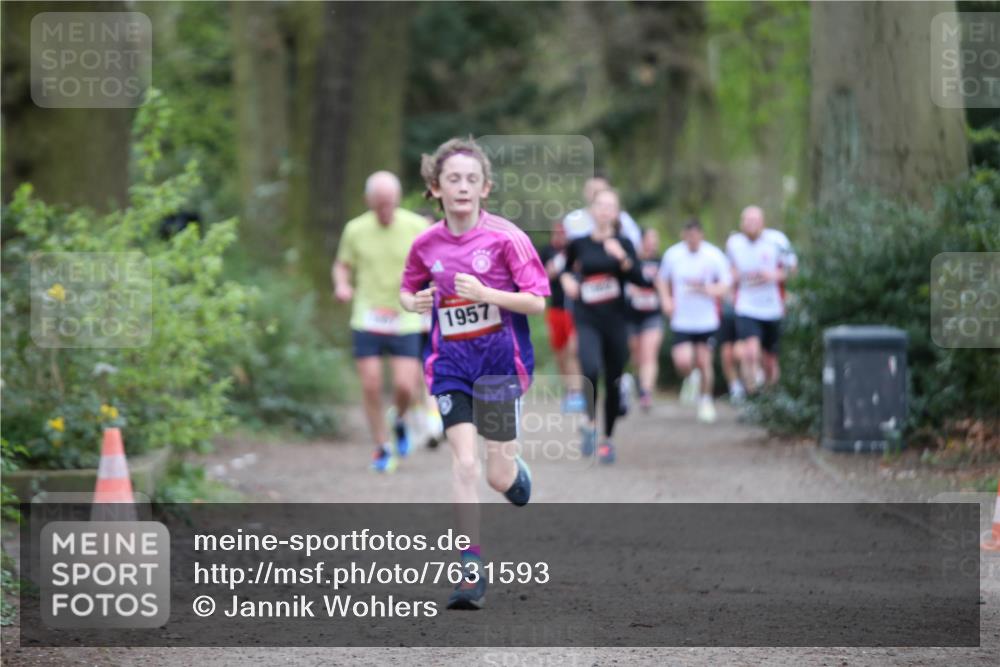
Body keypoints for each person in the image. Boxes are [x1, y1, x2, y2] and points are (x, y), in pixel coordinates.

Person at [399, 137, 549, 610]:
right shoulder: (425, 244)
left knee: (496, 477)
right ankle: (469, 567)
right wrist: (416, 301)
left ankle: (513, 472)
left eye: (471, 179)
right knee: (463, 463)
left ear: (485, 188)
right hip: (451, 367)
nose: (462, 187)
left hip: (502, 365)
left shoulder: (507, 238)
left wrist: (489, 294)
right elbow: (406, 291)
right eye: (452, 179)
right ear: (435, 188)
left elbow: (537, 301)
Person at [334, 171, 429, 472]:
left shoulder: (417, 226)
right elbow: (342, 265)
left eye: (390, 204)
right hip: (367, 315)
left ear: (398, 200)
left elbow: (436, 264)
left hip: (405, 314)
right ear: (368, 202)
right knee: (371, 384)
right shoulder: (355, 229)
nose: (385, 211)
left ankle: (398, 419)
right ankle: (381, 445)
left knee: (405, 386)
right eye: (379, 205)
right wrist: (342, 285)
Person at [560, 188, 648, 464]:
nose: (605, 211)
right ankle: (589, 422)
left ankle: (607, 440)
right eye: (601, 206)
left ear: (617, 212)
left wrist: (621, 257)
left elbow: (641, 279)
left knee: (613, 380)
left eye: (611, 206)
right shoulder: (579, 243)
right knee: (590, 368)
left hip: (616, 320)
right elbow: (563, 268)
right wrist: (567, 280)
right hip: (587, 318)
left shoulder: (624, 242)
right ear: (592, 210)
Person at [657, 218, 731, 423]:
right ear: (683, 235)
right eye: (688, 236)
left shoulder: (713, 255)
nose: (691, 240)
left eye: (695, 236)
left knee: (704, 360)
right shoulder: (673, 255)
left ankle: (706, 400)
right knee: (682, 360)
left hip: (707, 319)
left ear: (701, 235)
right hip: (682, 319)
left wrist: (710, 290)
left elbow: (726, 284)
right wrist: (666, 300)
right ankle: (692, 377)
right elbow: (662, 279)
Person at [725, 205, 798, 392]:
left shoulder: (778, 241)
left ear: (762, 223)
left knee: (770, 361)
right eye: (747, 221)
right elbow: (729, 269)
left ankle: (770, 396)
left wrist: (772, 275)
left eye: (754, 221)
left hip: (772, 307)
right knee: (750, 352)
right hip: (746, 306)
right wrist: (733, 279)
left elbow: (792, 270)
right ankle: (751, 392)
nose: (750, 225)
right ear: (741, 224)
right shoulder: (734, 243)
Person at [538, 220, 585, 412]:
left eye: (563, 233)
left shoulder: (576, 250)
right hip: (556, 308)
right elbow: (544, 276)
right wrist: (558, 265)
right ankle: (569, 389)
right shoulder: (546, 251)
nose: (560, 236)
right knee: (560, 353)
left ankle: (577, 391)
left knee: (573, 349)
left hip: (574, 309)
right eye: (557, 233)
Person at [626, 227, 665, 412]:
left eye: (655, 239)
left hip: (653, 314)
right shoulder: (631, 261)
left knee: (649, 352)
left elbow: (668, 285)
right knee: (636, 354)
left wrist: (664, 295)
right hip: (631, 315)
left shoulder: (662, 262)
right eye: (649, 238)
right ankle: (638, 381)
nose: (653, 242)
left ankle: (646, 392)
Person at [563, 175, 643, 250]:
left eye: (600, 190)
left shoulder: (624, 219)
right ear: (585, 191)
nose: (594, 194)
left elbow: (635, 245)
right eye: (591, 190)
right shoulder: (572, 219)